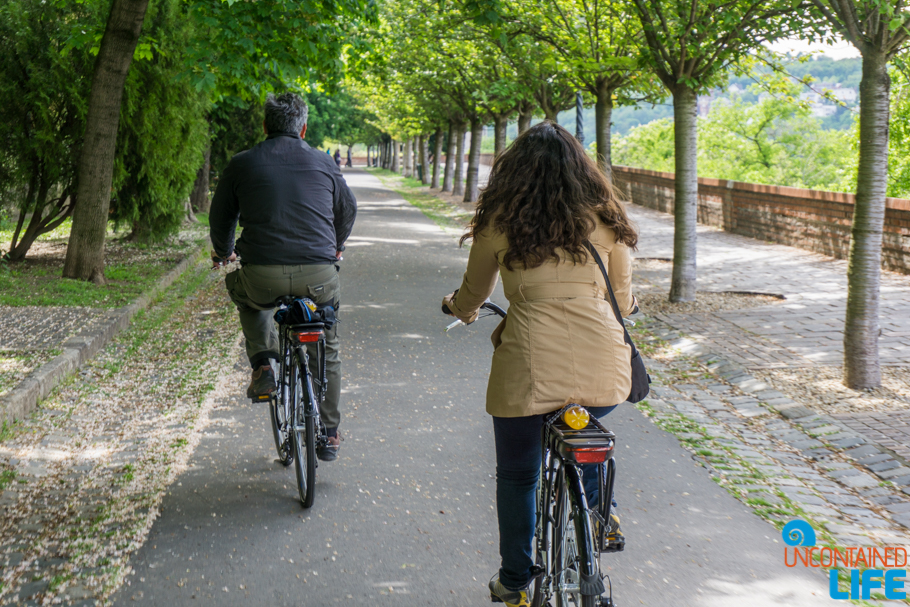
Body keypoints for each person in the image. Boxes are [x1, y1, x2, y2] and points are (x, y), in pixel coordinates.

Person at [441, 122, 637, 606]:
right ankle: (601, 511)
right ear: (581, 169)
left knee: (518, 472)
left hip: (528, 367)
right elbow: (625, 302)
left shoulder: (499, 222)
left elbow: (473, 295)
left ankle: (513, 581)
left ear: (514, 171)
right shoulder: (608, 219)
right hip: (604, 366)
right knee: (590, 427)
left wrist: (457, 309)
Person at [209, 92, 357, 462]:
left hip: (262, 275)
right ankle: (329, 433)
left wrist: (224, 250)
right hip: (319, 276)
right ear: (303, 127)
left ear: (264, 126)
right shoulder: (325, 163)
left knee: (245, 295)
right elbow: (347, 209)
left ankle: (263, 363)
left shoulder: (242, 164)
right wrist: (335, 246)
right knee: (328, 343)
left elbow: (221, 217)